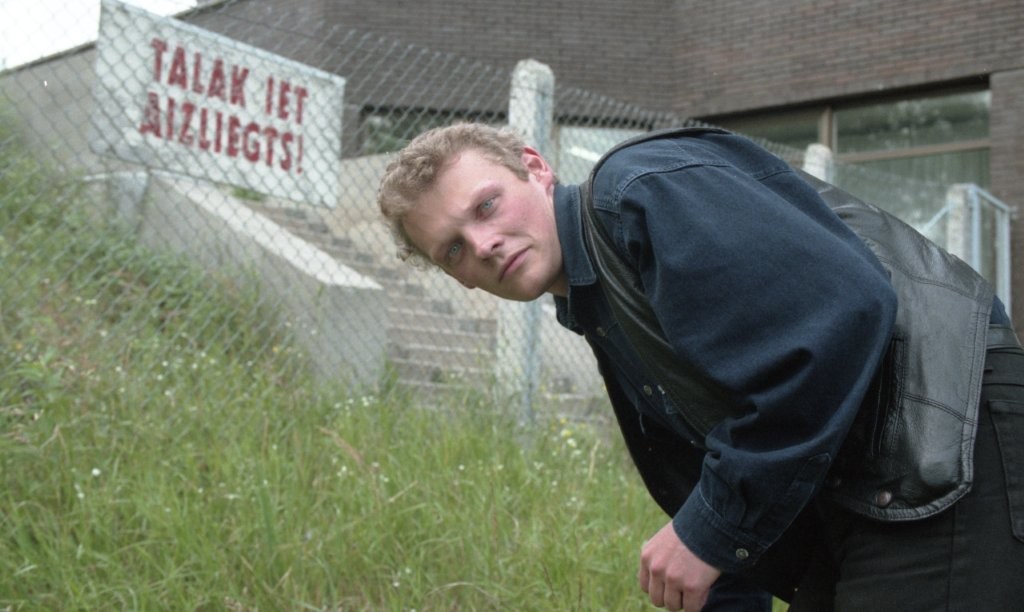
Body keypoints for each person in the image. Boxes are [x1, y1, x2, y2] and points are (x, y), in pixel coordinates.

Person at [376, 122, 1024, 611]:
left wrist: (709, 531)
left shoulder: (638, 191)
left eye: (486, 206)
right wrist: (717, 556)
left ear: (536, 168)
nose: (483, 244)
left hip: (942, 420)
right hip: (866, 481)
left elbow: (839, 317)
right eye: (452, 249)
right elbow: (723, 459)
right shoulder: (599, 303)